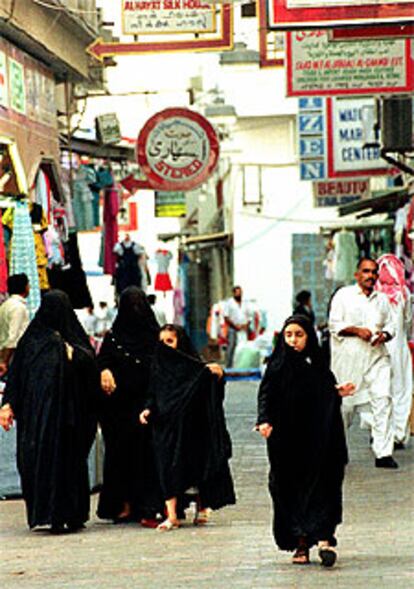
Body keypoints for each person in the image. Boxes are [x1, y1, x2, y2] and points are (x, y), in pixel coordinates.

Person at [257, 315, 352, 567]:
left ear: (308, 336)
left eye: (299, 335)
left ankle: (323, 538)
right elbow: (266, 395)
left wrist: (336, 392)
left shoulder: (318, 364)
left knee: (324, 484)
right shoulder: (277, 366)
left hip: (320, 439)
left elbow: (323, 392)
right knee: (289, 488)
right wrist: (264, 420)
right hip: (287, 441)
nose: (293, 340)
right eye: (288, 335)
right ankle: (300, 542)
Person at [0, 290, 98, 532]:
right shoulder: (32, 340)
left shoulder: (74, 341)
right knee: (38, 462)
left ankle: (70, 514)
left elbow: (91, 370)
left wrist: (76, 357)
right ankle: (47, 513)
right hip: (37, 418)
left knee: (67, 464)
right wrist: (8, 404)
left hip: (69, 418)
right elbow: (17, 375)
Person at [139, 324, 236, 531]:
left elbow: (210, 381)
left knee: (196, 467)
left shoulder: (192, 367)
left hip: (191, 427)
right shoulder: (157, 366)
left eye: (170, 341)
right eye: (162, 342)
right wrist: (147, 409)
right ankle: (172, 515)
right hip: (165, 426)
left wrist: (217, 375)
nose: (165, 347)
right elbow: (152, 393)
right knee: (166, 468)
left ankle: (202, 507)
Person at [97, 286, 163, 526]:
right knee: (120, 454)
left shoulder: (156, 335)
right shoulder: (113, 337)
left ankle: (149, 505)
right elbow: (102, 359)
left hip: (147, 405)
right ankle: (123, 505)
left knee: (147, 455)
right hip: (119, 407)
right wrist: (104, 370)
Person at [329, 258, 398, 469]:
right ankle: (334, 451)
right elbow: (334, 324)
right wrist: (357, 330)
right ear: (357, 274)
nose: (370, 276)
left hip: (377, 358)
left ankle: (383, 453)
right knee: (344, 408)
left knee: (383, 400)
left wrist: (384, 335)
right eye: (366, 271)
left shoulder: (382, 300)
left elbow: (392, 324)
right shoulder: (343, 296)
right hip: (348, 360)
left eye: (374, 272)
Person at [375, 254, 412, 449]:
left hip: (379, 347)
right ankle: (398, 433)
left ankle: (380, 433)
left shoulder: (374, 294)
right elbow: (408, 322)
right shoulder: (404, 293)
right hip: (398, 348)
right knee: (400, 390)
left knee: (380, 391)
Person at [0, 273, 30, 376]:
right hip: (13, 356)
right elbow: (12, 338)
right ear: (25, 287)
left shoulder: (5, 305)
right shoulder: (18, 308)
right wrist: (4, 362)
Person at [224, 286, 250, 368]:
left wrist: (245, 325)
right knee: (231, 347)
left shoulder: (245, 303)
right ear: (234, 293)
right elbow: (226, 317)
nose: (239, 294)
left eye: (240, 292)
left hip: (243, 329)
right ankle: (229, 366)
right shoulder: (229, 303)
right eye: (237, 292)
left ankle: (242, 366)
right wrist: (235, 326)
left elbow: (249, 316)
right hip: (233, 328)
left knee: (243, 347)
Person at [113, 233, 145, 298]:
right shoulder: (118, 246)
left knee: (134, 289)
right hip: (124, 272)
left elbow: (141, 256)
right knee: (123, 289)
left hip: (133, 272)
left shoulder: (136, 246)